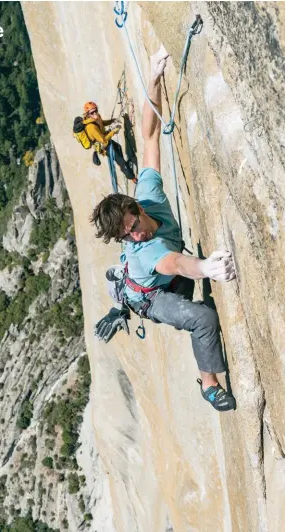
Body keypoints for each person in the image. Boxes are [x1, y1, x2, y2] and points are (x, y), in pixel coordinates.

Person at [90, 46, 237, 412]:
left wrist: (154, 80)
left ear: (136, 207)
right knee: (201, 316)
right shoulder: (146, 251)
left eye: (133, 226)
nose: (135, 235)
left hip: (159, 278)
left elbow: (150, 135)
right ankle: (209, 385)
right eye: (126, 236)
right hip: (151, 296)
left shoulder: (149, 195)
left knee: (189, 291)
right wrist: (205, 268)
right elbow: (174, 263)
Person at [82, 101, 137, 182]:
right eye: (92, 112)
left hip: (106, 141)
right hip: (104, 146)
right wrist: (114, 131)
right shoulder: (91, 127)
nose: (95, 113)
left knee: (118, 147)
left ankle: (123, 166)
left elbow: (102, 123)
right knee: (120, 160)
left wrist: (112, 120)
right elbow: (103, 140)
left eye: (95, 110)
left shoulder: (96, 118)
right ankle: (132, 178)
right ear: (88, 114)